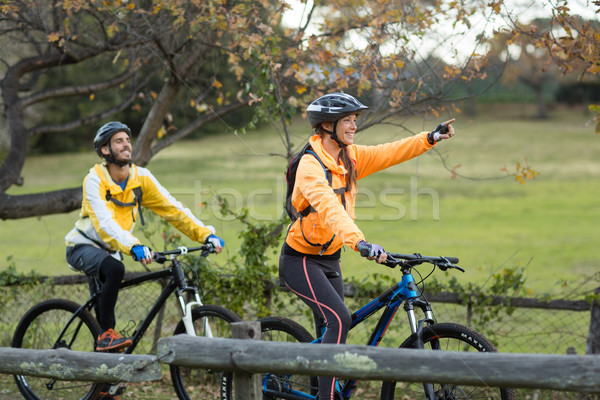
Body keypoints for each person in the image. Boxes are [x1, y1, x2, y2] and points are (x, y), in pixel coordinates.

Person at [279, 93, 455, 400]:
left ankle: (321, 386)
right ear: (326, 125)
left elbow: (389, 152)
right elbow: (331, 209)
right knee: (339, 320)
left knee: (332, 331)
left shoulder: (349, 157)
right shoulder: (311, 165)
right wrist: (359, 241)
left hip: (330, 258)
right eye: (347, 120)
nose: (353, 127)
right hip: (300, 261)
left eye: (354, 120)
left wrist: (429, 138)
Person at [65, 121, 224, 355]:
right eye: (119, 141)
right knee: (115, 270)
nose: (126, 144)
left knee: (110, 283)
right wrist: (134, 246)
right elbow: (104, 224)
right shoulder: (95, 179)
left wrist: (205, 234)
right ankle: (106, 334)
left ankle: (105, 386)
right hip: (82, 246)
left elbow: (173, 210)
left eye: (128, 140)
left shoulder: (141, 179)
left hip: (112, 250)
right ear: (106, 150)